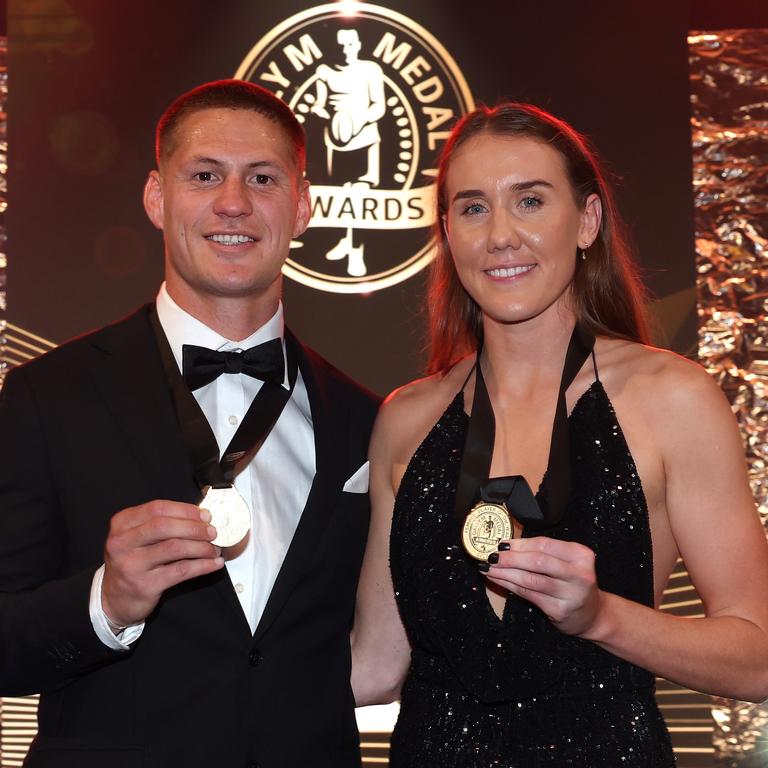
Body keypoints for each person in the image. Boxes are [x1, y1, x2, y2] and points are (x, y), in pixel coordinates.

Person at [351, 103, 768, 767]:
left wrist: (603, 617)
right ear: (448, 234)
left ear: (587, 221)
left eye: (530, 200)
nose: (501, 236)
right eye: (473, 207)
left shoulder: (672, 399)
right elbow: (372, 666)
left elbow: (757, 658)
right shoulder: (406, 418)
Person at [0, 80, 378, 768]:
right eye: (204, 175)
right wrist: (105, 603)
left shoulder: (366, 421)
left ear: (302, 208)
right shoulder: (44, 396)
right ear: (156, 197)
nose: (233, 202)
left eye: (262, 179)